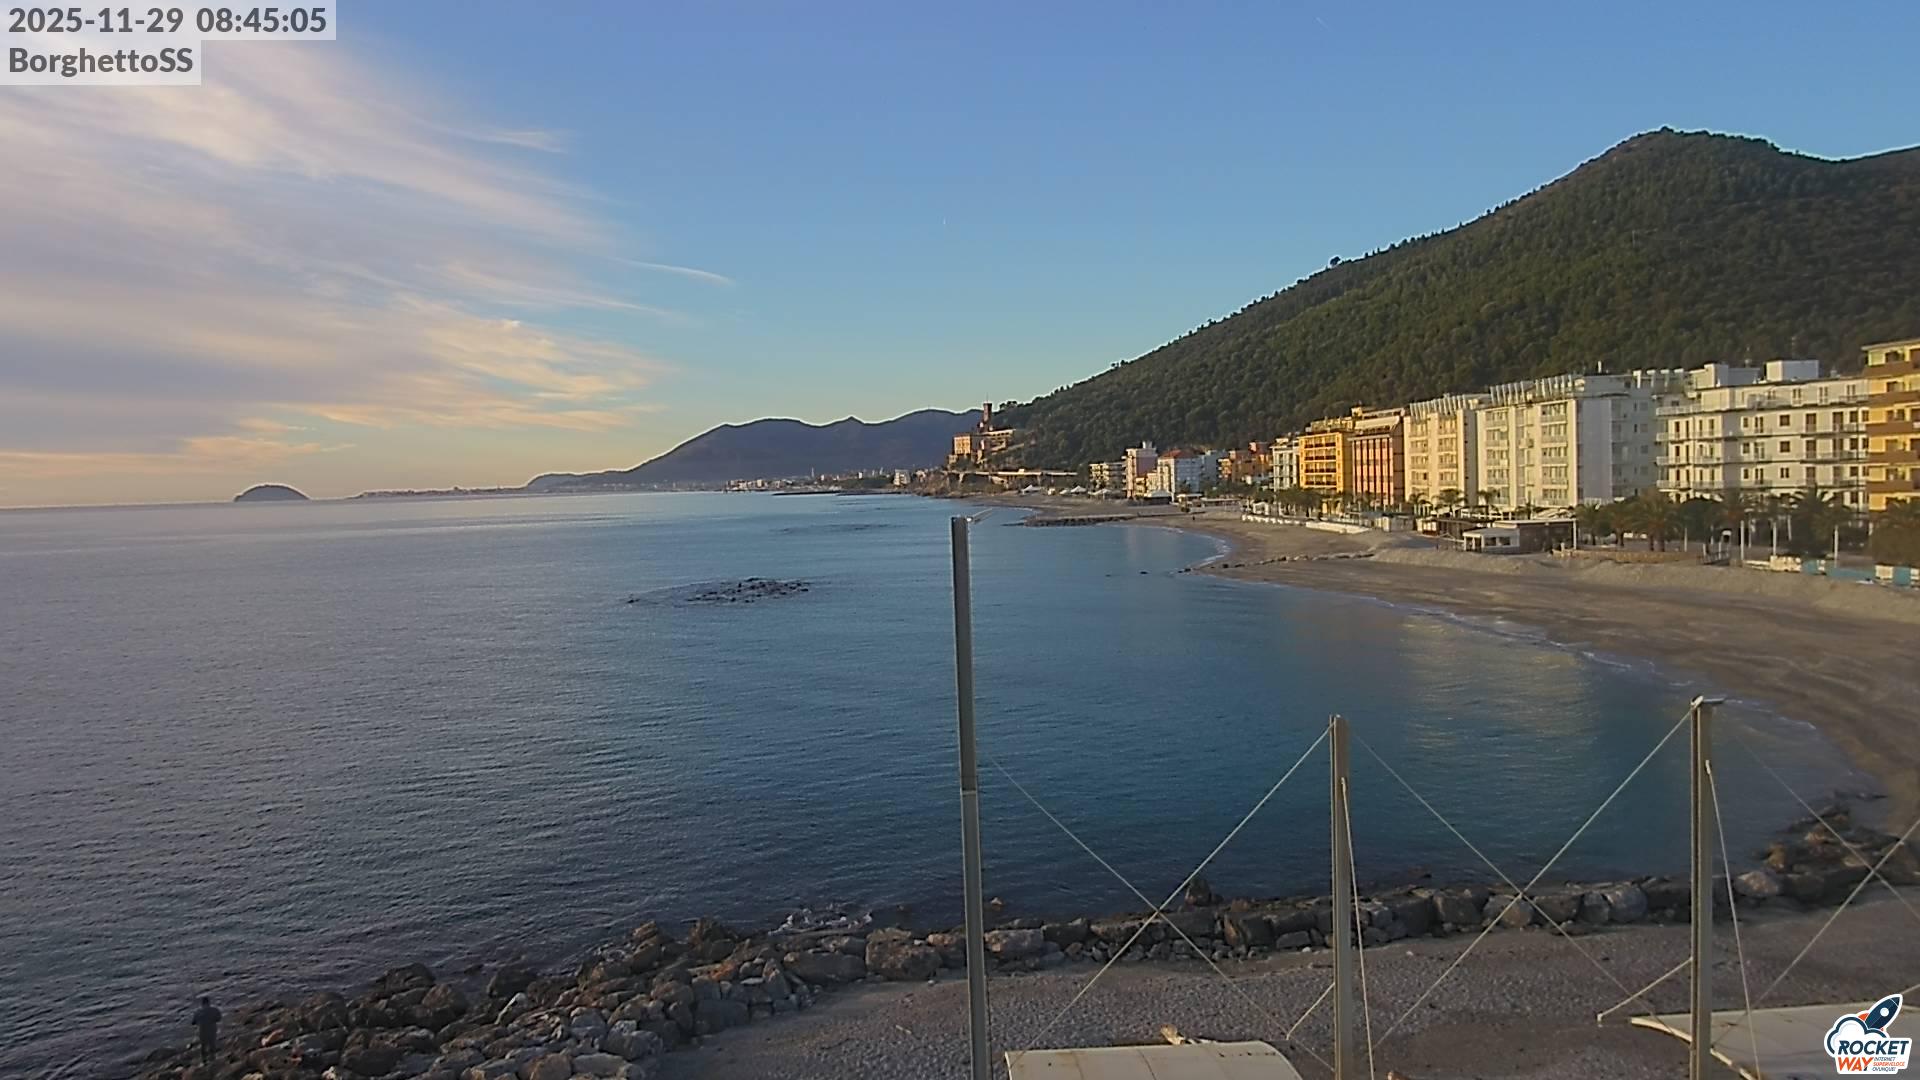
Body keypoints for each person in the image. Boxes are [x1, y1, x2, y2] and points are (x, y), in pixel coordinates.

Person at [191, 996, 221, 1066]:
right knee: (212, 1045)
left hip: (202, 1031)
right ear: (209, 1002)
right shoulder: (215, 1010)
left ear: (202, 1003)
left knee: (203, 1046)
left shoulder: (198, 1012)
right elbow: (218, 1019)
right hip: (212, 1030)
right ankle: (213, 1060)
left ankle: (204, 1061)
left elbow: (193, 1022)